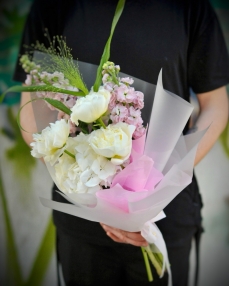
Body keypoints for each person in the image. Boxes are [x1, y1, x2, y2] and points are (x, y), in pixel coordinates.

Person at [14, 0, 229, 285]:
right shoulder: (54, 6)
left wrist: (152, 194)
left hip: (163, 218)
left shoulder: (190, 7)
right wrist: (88, 189)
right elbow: (31, 112)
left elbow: (216, 105)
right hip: (84, 221)